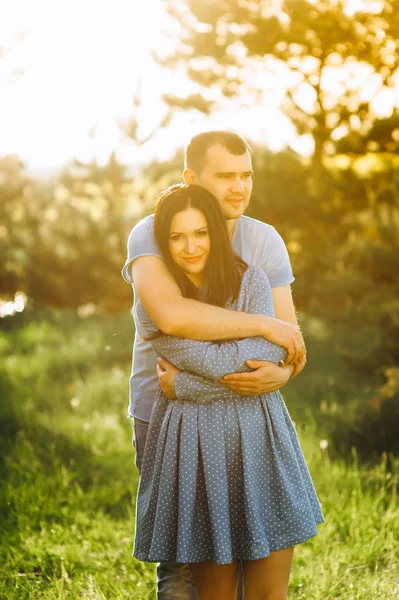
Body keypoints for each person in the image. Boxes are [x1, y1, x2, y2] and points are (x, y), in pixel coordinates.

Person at [122, 131, 307, 599]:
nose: (238, 187)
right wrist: (261, 328)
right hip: (166, 415)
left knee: (256, 559)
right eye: (225, 176)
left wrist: (280, 369)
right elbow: (171, 317)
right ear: (192, 178)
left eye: (246, 175)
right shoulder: (155, 228)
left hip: (249, 416)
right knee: (185, 572)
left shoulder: (262, 246)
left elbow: (287, 341)